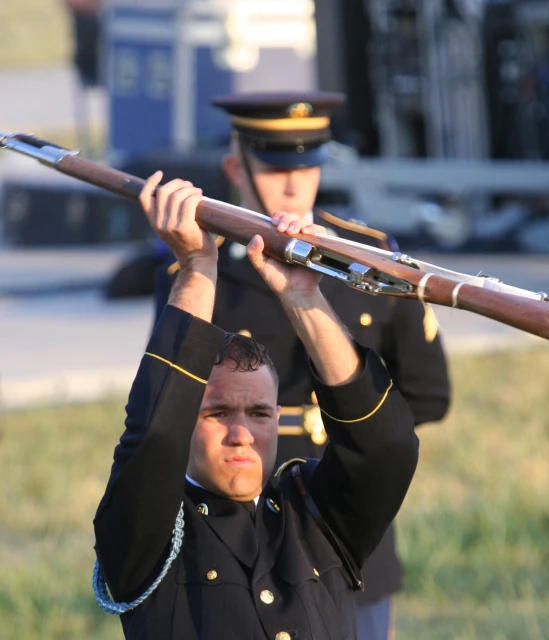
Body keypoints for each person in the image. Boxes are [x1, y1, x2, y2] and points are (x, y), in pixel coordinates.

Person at [153, 91, 451, 638]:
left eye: (309, 163)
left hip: (342, 513)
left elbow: (430, 393)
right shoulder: (199, 269)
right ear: (233, 167)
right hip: (236, 516)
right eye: (273, 165)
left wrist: (356, 435)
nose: (294, 183)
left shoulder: (367, 257)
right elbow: (168, 407)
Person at [92, 173, 419, 640]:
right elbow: (156, 437)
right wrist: (197, 268)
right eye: (218, 413)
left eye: (260, 413)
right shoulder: (148, 532)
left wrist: (304, 296)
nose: (242, 433)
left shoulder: (314, 518)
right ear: (187, 416)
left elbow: (385, 446)